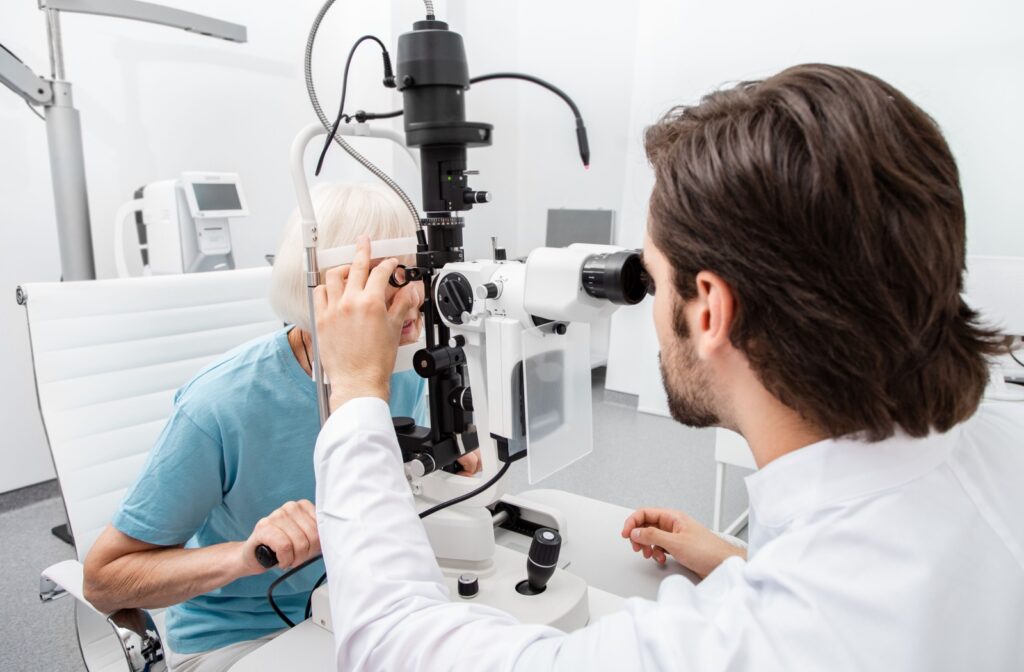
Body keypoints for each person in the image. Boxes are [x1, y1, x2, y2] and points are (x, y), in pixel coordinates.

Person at [309, 65, 1024, 670]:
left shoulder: (750, 643)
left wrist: (354, 392)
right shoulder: (994, 443)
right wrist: (739, 560)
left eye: (651, 277)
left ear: (710, 310)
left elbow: (392, 639)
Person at [82, 182, 480, 672]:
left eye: (416, 275)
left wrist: (442, 458)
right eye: (387, 281)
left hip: (352, 606)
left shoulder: (399, 369)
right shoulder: (220, 403)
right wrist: (246, 556)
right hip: (242, 637)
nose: (414, 306)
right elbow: (103, 581)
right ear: (326, 287)